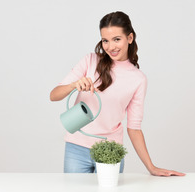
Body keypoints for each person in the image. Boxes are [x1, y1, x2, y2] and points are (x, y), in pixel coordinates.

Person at [50, 11, 185, 176]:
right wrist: (73, 85)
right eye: (105, 40)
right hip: (77, 148)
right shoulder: (90, 60)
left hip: (111, 150)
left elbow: (134, 128)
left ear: (129, 38)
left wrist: (151, 167)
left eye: (117, 39)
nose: (110, 47)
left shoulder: (138, 79)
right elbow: (54, 95)